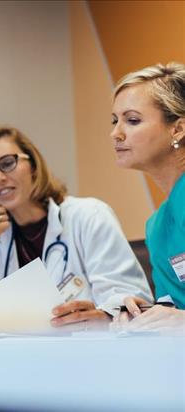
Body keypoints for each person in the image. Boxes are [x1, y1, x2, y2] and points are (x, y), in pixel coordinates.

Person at [0, 126, 152, 329]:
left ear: (33, 166)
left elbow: (131, 300)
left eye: (7, 163)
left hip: (91, 350)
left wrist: (102, 317)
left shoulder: (88, 216)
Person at [109, 62, 185, 334]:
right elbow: (173, 309)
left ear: (177, 129)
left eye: (132, 120)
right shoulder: (156, 227)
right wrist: (146, 315)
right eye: (114, 120)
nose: (115, 133)